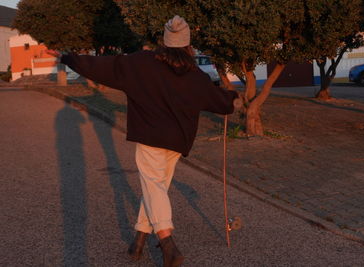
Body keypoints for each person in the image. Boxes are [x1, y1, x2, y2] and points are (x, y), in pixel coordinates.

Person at [51, 15, 239, 267]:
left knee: (153, 187)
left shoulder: (140, 63)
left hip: (150, 137)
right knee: (156, 188)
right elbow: (218, 100)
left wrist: (67, 57)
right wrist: (231, 99)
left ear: (164, 39)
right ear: (187, 43)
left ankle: (168, 244)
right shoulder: (194, 74)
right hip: (177, 142)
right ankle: (139, 239)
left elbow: (102, 66)